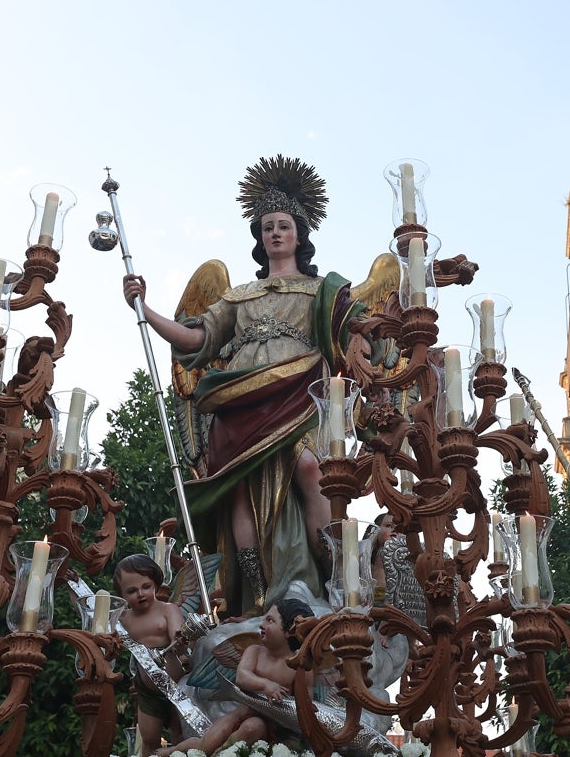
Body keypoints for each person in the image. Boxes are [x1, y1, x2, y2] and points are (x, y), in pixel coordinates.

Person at [123, 155, 364, 616]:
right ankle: (252, 595)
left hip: (299, 394)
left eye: (283, 226)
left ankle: (334, 572)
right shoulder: (239, 296)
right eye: (266, 227)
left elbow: (353, 337)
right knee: (240, 488)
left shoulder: (323, 291)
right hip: (238, 397)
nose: (274, 233)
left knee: (313, 470)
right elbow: (197, 339)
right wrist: (145, 309)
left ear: (299, 235)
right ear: (259, 238)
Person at [154, 598, 316, 756]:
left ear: (290, 631)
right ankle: (171, 752)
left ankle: (221, 753)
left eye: (270, 621)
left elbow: (306, 705)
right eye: (264, 619)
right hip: (240, 714)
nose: (261, 624)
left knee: (253, 727)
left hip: (275, 727)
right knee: (205, 744)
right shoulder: (255, 652)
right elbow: (242, 677)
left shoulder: (300, 666)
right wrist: (266, 685)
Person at [115, 554, 187, 755]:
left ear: (155, 584)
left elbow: (177, 635)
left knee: (180, 734)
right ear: (122, 594)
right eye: (131, 591)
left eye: (145, 586)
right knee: (148, 739)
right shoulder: (124, 619)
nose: (140, 593)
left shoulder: (168, 609)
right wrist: (73, 587)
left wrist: (179, 640)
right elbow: (94, 613)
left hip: (177, 687)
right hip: (147, 691)